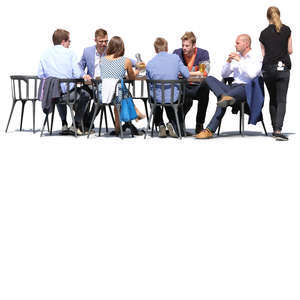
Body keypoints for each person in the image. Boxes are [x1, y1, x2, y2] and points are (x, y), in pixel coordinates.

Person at [195, 34, 262, 139]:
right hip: (232, 88)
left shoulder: (256, 56)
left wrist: (240, 60)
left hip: (247, 89)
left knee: (224, 99)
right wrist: (228, 61)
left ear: (246, 44)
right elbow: (224, 74)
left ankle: (209, 130)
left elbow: (252, 74)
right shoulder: (236, 57)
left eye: (238, 43)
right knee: (208, 78)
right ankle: (224, 96)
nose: (235, 45)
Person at [79, 29, 145, 130]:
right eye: (101, 41)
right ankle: (132, 115)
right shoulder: (87, 51)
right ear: (95, 40)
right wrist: (84, 75)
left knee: (112, 91)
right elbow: (80, 66)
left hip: (105, 89)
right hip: (92, 84)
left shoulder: (108, 55)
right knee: (121, 92)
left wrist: (137, 64)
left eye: (106, 41)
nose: (104, 44)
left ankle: (90, 123)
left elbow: (133, 62)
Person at [38, 29, 90, 135]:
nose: (69, 44)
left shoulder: (44, 54)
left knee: (57, 89)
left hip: (51, 95)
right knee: (85, 95)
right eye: (69, 41)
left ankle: (64, 124)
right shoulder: (70, 53)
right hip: (67, 95)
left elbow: (40, 74)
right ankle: (75, 124)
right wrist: (83, 75)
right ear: (63, 41)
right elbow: (76, 74)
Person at [146, 37, 201, 138]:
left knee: (154, 96)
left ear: (155, 49)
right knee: (170, 97)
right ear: (167, 48)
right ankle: (171, 123)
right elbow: (187, 75)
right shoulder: (175, 58)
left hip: (157, 98)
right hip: (173, 97)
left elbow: (149, 81)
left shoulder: (150, 63)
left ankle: (160, 124)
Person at [259, 6, 293, 141]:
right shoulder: (287, 30)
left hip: (268, 69)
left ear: (268, 17)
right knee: (281, 100)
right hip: (283, 68)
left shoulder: (263, 33)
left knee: (272, 98)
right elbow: (290, 50)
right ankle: (278, 130)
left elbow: (264, 54)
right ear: (279, 15)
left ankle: (274, 129)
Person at [98, 36, 143, 136]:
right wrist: (137, 71)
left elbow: (108, 76)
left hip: (103, 95)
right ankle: (135, 115)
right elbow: (131, 78)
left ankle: (118, 127)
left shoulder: (102, 60)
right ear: (121, 47)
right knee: (123, 91)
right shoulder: (126, 61)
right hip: (118, 96)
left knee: (121, 90)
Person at [173, 32, 210, 134]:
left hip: (197, 86)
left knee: (205, 89)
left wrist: (186, 73)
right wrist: (195, 73)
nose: (184, 48)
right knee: (184, 98)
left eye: (187, 45)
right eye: (183, 45)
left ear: (194, 45)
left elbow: (205, 72)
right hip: (183, 87)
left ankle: (199, 124)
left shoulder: (203, 53)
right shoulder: (176, 53)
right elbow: (173, 70)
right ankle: (179, 125)